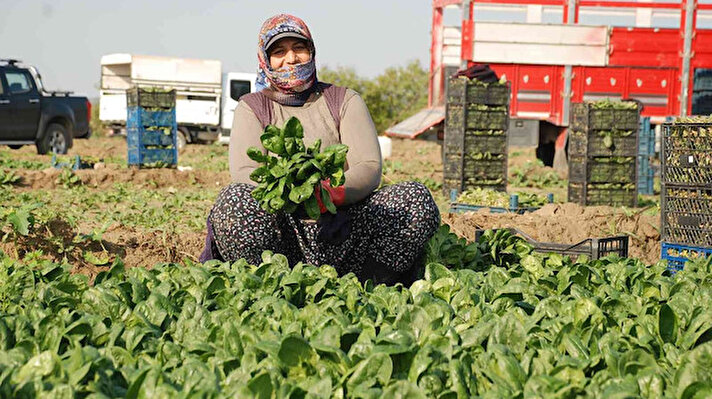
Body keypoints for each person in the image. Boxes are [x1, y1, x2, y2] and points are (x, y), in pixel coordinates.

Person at [200, 14, 440, 285]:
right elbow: (246, 172)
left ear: (311, 52)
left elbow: (369, 166)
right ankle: (270, 286)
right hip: (282, 234)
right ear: (265, 60)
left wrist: (327, 192)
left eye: (298, 48)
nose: (291, 58)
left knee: (414, 198)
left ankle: (370, 287)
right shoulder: (252, 107)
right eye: (279, 52)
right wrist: (290, 193)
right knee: (235, 201)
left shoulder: (344, 100)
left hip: (343, 229)